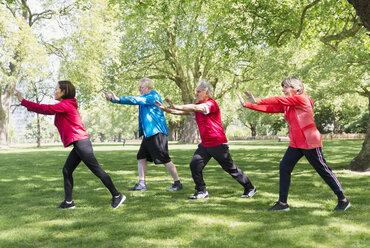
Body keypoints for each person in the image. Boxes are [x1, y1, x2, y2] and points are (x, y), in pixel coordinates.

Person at [236, 77, 350, 211]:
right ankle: (282, 203)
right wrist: (248, 105)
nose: (283, 90)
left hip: (309, 141)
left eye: (286, 87)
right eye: (283, 87)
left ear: (297, 89)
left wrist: (257, 100)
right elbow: (270, 108)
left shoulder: (302, 98)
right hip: (296, 142)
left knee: (322, 169)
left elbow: (277, 100)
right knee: (284, 167)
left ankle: (343, 200)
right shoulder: (289, 104)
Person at [15, 80, 125, 210]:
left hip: (81, 143)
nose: (54, 91)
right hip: (78, 144)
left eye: (56, 88)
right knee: (67, 170)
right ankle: (68, 202)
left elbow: (46, 108)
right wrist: (28, 105)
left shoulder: (65, 105)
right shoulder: (65, 105)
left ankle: (117, 195)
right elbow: (46, 110)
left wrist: (23, 100)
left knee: (97, 170)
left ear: (63, 91)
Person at [155, 80, 256, 200]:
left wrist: (176, 106)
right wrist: (166, 109)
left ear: (207, 92)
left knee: (230, 168)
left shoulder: (210, 104)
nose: (196, 94)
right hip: (205, 144)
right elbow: (182, 112)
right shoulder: (198, 106)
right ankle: (201, 191)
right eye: (196, 92)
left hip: (218, 143)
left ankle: (250, 187)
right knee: (195, 165)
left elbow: (194, 107)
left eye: (199, 91)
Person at [102, 78, 182, 192]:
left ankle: (177, 183)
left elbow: (135, 100)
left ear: (149, 88)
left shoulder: (152, 97)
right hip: (149, 134)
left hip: (157, 133)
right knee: (141, 157)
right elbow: (137, 100)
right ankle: (141, 184)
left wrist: (119, 98)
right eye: (139, 87)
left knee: (165, 159)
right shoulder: (145, 97)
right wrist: (112, 100)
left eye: (142, 87)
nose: (139, 89)